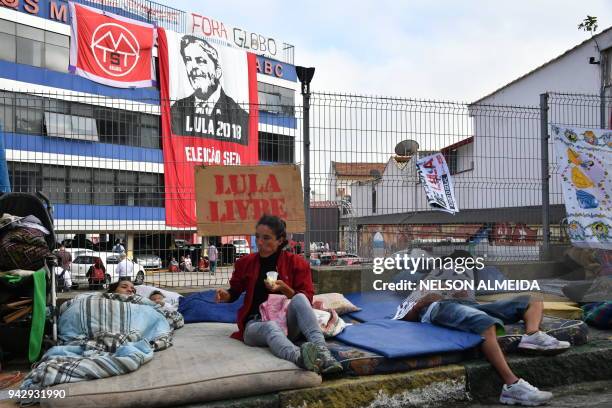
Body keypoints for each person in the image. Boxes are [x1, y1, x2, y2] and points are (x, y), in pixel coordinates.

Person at [394, 250, 570, 406]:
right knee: (484, 322)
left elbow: (472, 298)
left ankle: (532, 335)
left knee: (533, 300)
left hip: (468, 305)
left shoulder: (467, 279)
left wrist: (464, 294)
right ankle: (512, 385)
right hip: (439, 307)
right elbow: (404, 315)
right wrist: (423, 301)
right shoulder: (426, 282)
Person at [215, 215, 342, 375]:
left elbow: (306, 299)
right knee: (271, 327)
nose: (260, 242)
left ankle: (323, 353)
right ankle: (301, 358)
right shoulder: (245, 263)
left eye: (266, 238)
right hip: (256, 324)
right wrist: (225, 295)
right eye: (258, 237)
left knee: (300, 298)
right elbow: (234, 291)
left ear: (280, 240)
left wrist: (284, 288)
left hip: (287, 323)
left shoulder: (297, 263)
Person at [171, 35, 250, 141]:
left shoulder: (240, 116)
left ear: (217, 71)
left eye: (200, 60)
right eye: (188, 60)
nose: (193, 67)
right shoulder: (176, 109)